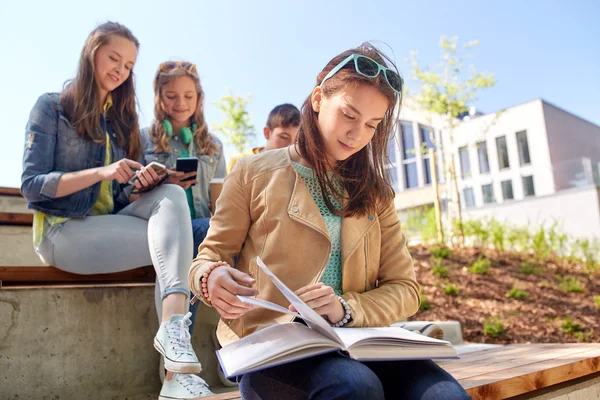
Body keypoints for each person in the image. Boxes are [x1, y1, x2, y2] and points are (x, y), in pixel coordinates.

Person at [189, 43, 470, 399]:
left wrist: (346, 308)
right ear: (319, 97)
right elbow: (208, 257)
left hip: (360, 341)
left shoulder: (376, 193)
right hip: (274, 348)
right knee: (354, 386)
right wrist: (210, 277)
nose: (358, 134)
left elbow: (406, 289)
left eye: (372, 124)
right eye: (349, 115)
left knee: (446, 397)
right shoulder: (252, 172)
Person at [20, 22, 209, 399]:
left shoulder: (122, 120)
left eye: (128, 65)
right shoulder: (53, 106)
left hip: (111, 225)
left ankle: (175, 357)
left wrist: (144, 184)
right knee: (178, 241)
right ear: (92, 53)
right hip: (64, 230)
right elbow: (32, 186)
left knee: (171, 198)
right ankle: (176, 374)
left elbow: (122, 199)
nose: (121, 70)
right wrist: (100, 172)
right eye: (114, 58)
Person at [226, 103, 300, 173]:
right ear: (267, 133)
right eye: (284, 137)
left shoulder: (298, 170)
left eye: (296, 140)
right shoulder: (238, 163)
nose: (291, 145)